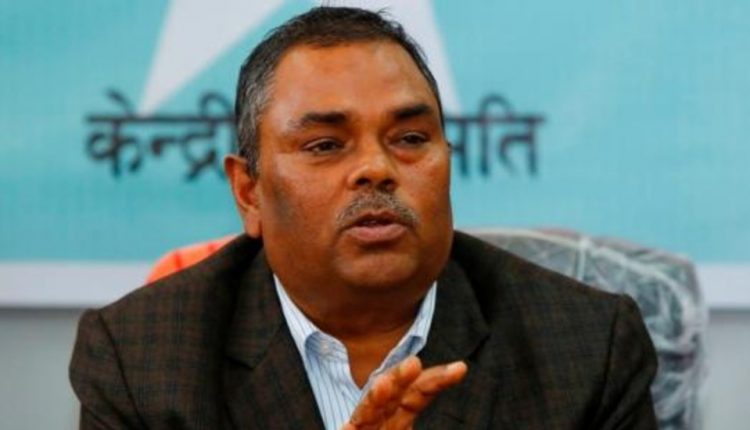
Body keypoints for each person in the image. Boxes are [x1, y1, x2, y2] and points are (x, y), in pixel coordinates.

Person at [70, 6, 658, 429]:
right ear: (249, 193)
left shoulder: (586, 346)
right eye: (326, 145)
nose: (376, 168)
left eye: (410, 138)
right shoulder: (143, 359)